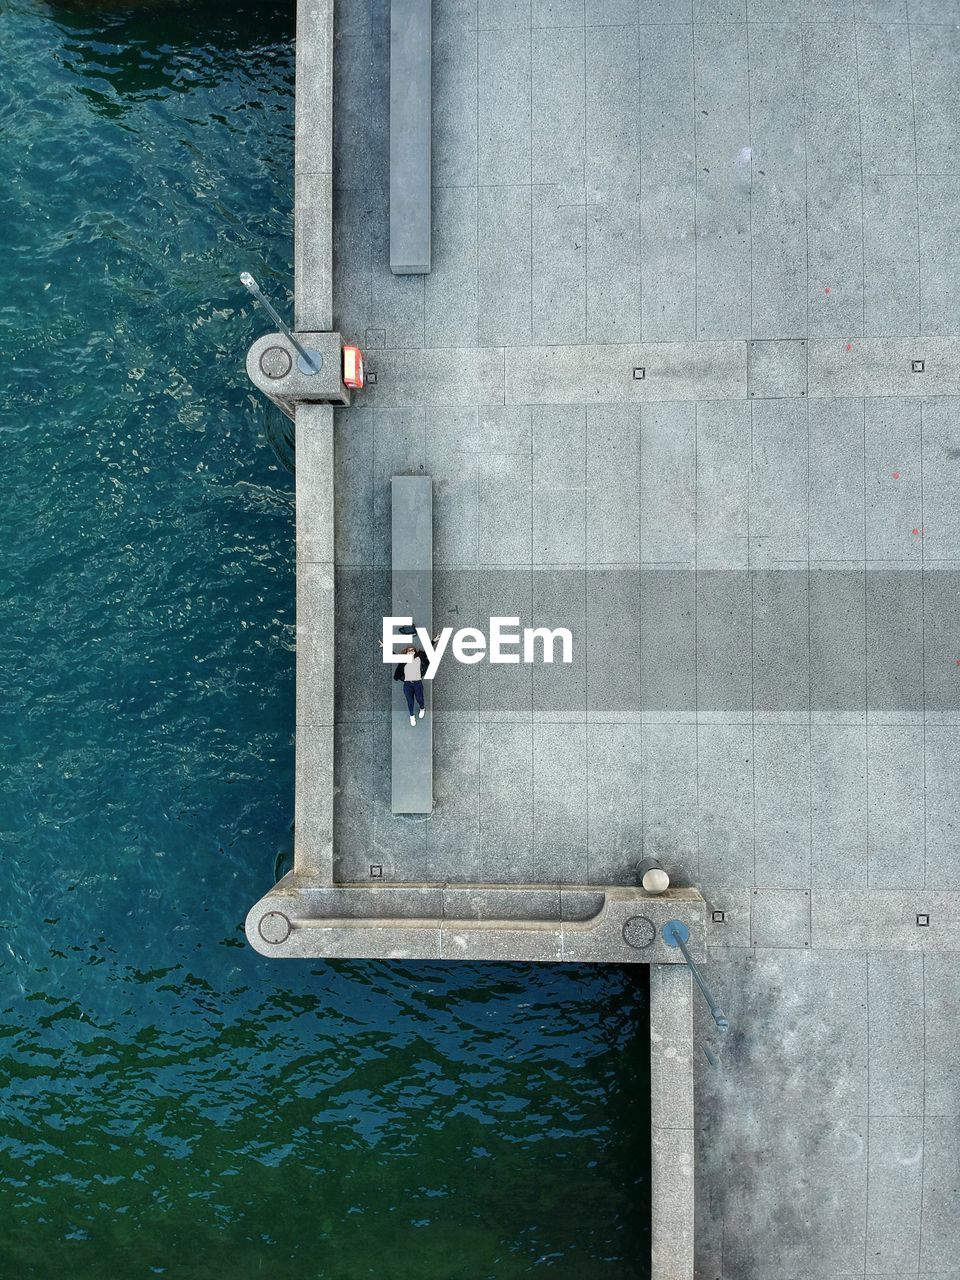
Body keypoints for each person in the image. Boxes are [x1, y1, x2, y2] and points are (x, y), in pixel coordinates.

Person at [378, 626, 440, 728]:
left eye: (412, 650)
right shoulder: (404, 660)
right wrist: (385, 647)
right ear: (406, 652)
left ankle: (422, 708)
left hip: (417, 683)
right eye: (409, 650)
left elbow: (428, 649)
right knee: (410, 701)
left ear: (415, 652)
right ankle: (411, 716)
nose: (411, 651)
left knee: (420, 698)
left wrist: (434, 640)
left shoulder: (419, 658)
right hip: (407, 684)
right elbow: (393, 655)